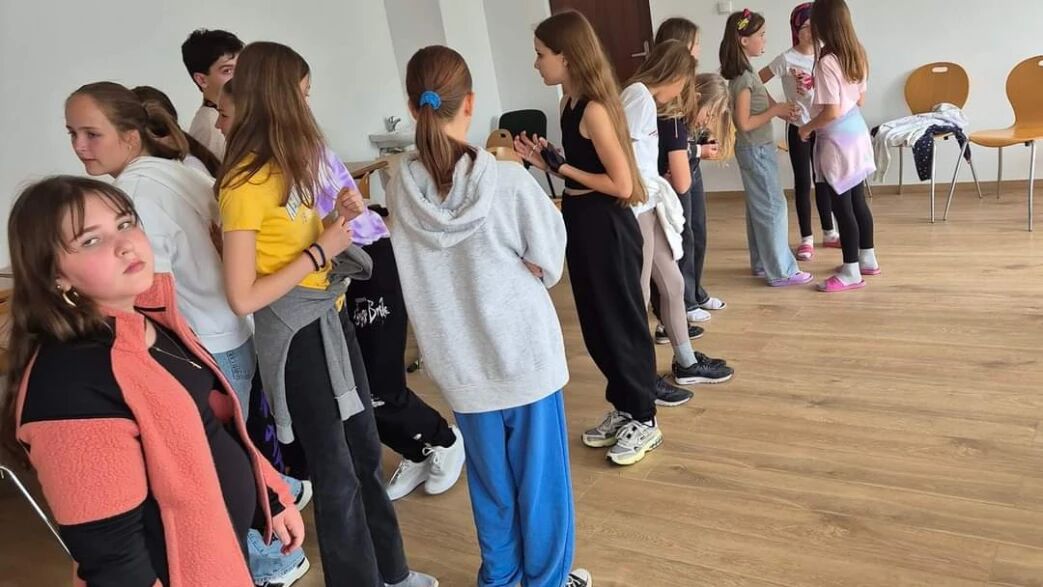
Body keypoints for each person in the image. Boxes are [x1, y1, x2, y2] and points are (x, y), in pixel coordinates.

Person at [64, 80, 312, 586]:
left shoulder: (133, 194)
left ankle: (275, 561)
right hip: (229, 334)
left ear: (130, 136)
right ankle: (283, 495)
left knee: (216, 465)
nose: (80, 146)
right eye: (72, 134)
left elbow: (146, 290)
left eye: (92, 134)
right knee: (236, 447)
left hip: (206, 345)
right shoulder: (178, 171)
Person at [2, 176, 304, 586]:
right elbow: (114, 563)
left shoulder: (146, 320)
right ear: (56, 276)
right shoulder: (68, 386)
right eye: (91, 240)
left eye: (125, 223)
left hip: (223, 558)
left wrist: (271, 498)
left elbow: (213, 425)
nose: (125, 244)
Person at [216, 41, 436, 586]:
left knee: (363, 453)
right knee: (336, 472)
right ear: (278, 96)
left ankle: (392, 573)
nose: (308, 104)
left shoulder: (290, 163)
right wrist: (321, 250)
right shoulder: (243, 183)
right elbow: (243, 295)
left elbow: (303, 242)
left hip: (329, 318)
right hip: (297, 335)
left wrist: (339, 216)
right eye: (303, 93)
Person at [387, 43, 591, 587]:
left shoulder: (398, 189)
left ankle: (499, 579)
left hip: (460, 366)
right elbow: (550, 264)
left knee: (491, 487)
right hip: (525, 358)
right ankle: (547, 581)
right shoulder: (509, 181)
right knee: (541, 487)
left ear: (412, 107)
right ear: (471, 103)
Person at [515, 10, 679, 466]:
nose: (536, 63)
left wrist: (562, 167)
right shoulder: (567, 104)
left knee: (621, 322)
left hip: (608, 225)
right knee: (596, 323)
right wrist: (549, 161)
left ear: (566, 56)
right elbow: (582, 170)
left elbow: (623, 185)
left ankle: (644, 418)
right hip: (582, 220)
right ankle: (624, 406)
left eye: (541, 54)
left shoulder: (594, 109)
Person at [620, 40, 733, 390]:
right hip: (635, 207)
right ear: (674, 75)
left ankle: (686, 362)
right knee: (640, 294)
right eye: (684, 82)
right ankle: (641, 378)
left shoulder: (646, 101)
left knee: (672, 282)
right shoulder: (638, 97)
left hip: (648, 204)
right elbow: (624, 156)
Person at [720, 9, 813, 287]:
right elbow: (744, 123)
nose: (764, 40)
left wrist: (782, 109)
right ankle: (782, 271)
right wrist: (775, 112)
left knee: (759, 208)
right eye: (760, 35)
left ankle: (763, 262)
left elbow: (764, 103)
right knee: (773, 206)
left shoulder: (748, 73)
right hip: (755, 149)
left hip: (756, 148)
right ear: (744, 40)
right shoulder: (744, 78)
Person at [799, 0, 879, 292]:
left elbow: (831, 112)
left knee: (841, 206)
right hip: (857, 133)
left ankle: (851, 271)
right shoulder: (858, 52)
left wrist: (806, 127)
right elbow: (860, 99)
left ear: (822, 24)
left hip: (837, 141)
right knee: (857, 200)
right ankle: (867, 258)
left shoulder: (827, 61)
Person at [761, 3, 838, 260]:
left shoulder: (826, 54)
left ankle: (829, 233)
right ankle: (806, 238)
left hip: (825, 126)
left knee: (824, 179)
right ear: (795, 29)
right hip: (798, 127)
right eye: (805, 27)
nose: (811, 31)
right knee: (803, 182)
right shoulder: (786, 58)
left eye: (815, 26)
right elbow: (755, 82)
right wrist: (777, 108)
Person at [181, 28, 242, 158]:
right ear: (201, 80)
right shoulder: (209, 128)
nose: (240, 75)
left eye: (242, 67)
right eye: (227, 70)